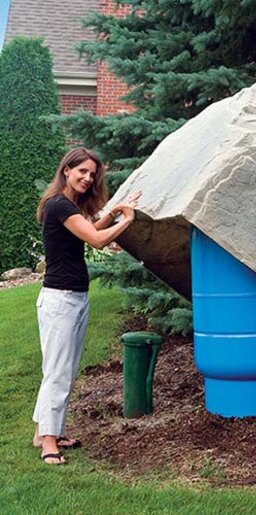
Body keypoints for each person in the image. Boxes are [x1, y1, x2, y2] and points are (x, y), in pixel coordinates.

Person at [32, 147, 140, 465]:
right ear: (67, 170)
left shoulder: (68, 207)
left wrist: (115, 212)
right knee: (58, 372)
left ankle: (45, 431)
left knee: (62, 369)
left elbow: (90, 230)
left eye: (92, 174)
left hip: (73, 297)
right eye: (82, 171)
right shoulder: (59, 205)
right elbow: (97, 239)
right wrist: (127, 219)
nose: (88, 178)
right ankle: (49, 442)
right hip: (60, 299)